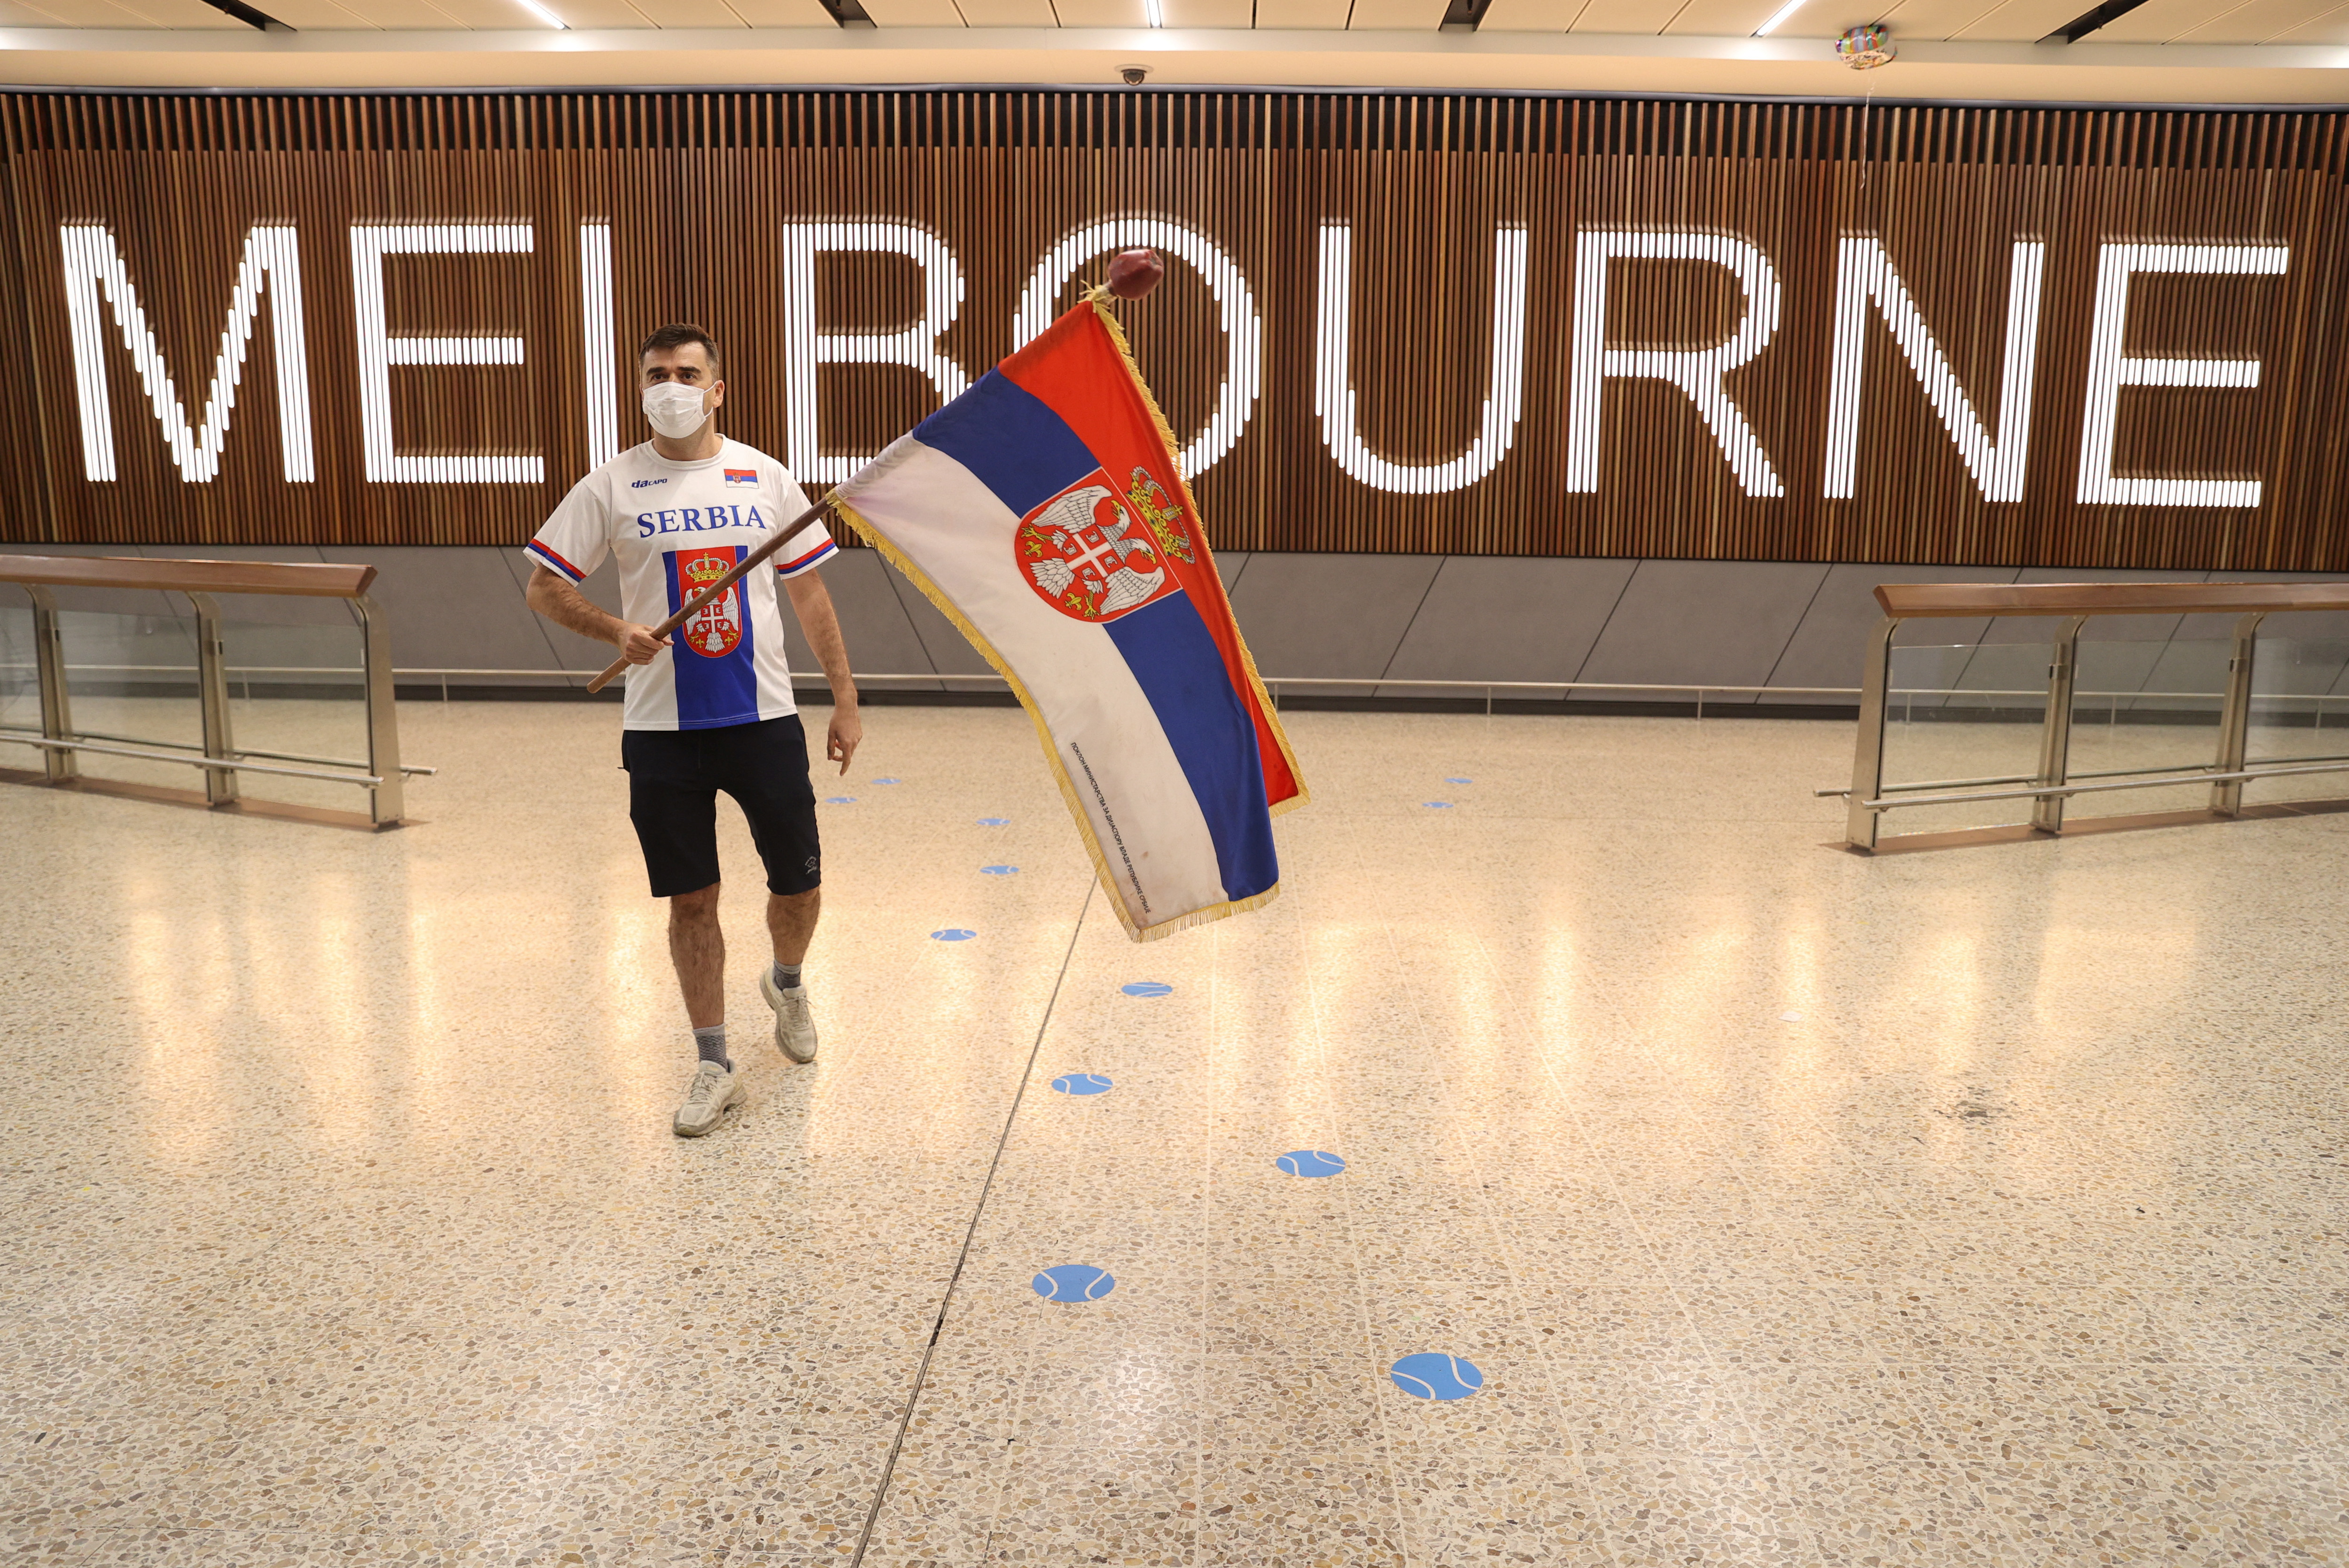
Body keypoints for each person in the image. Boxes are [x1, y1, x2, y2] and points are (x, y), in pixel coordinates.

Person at [523, 323, 860, 1138]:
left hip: (764, 719)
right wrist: (613, 630)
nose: (669, 386)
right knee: (690, 900)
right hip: (662, 731)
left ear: (717, 388)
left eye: (686, 373)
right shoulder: (610, 486)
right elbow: (543, 587)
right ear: (640, 390)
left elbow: (811, 598)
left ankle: (786, 978)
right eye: (654, 375)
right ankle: (715, 1061)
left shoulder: (766, 477)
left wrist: (845, 698)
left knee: (800, 884)